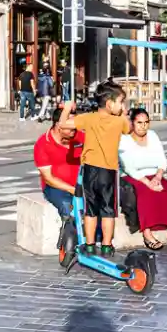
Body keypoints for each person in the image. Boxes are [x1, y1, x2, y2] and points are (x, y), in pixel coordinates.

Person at [60, 84, 130, 257]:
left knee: (90, 209)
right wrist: (123, 113)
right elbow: (128, 129)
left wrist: (67, 108)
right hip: (108, 172)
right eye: (120, 102)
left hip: (89, 169)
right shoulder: (119, 121)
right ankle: (106, 246)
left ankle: (90, 245)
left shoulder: (89, 118)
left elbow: (63, 124)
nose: (122, 106)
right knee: (108, 210)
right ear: (110, 104)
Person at [119, 108, 167, 250]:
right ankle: (147, 233)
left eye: (146, 122)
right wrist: (148, 183)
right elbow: (128, 167)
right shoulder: (124, 140)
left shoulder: (153, 135)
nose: (143, 126)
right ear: (132, 123)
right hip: (133, 176)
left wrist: (158, 176)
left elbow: (162, 159)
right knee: (145, 193)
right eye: (139, 122)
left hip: (153, 174)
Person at [34, 108, 85, 217]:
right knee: (67, 207)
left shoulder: (80, 136)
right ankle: (69, 227)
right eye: (70, 124)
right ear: (59, 124)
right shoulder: (43, 144)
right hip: (56, 187)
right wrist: (73, 190)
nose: (74, 127)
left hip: (82, 184)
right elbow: (48, 178)